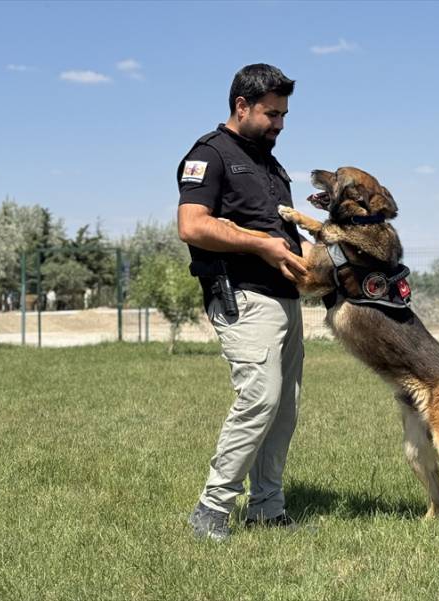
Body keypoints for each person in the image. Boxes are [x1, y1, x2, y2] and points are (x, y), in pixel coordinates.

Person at [176, 63, 309, 541]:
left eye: (284, 115)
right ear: (241, 106)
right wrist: (259, 245)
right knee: (260, 397)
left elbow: (280, 233)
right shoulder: (208, 156)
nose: (279, 124)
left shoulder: (269, 162)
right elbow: (192, 225)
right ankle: (211, 510)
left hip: (285, 298)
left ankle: (268, 508)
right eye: (272, 114)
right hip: (243, 297)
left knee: (284, 407)